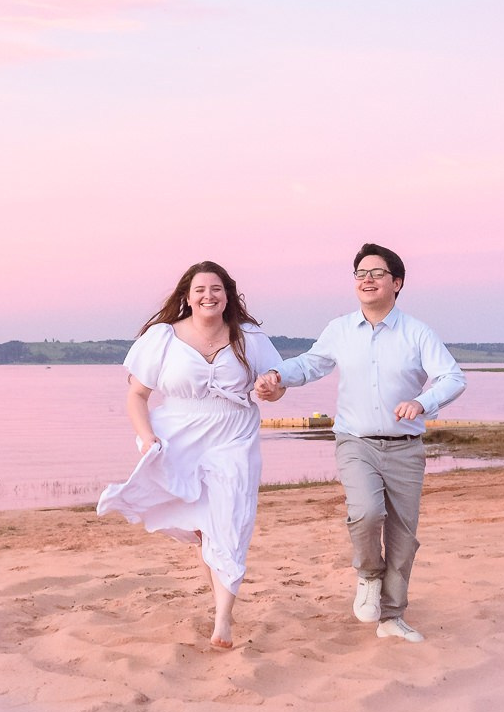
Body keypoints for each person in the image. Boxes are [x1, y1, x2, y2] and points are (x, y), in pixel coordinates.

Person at [254, 243, 464, 643]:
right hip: (356, 442)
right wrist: (278, 375)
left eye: (377, 273)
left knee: (403, 537)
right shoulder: (339, 330)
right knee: (366, 513)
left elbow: (452, 377)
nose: (367, 279)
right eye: (360, 274)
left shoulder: (418, 333)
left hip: (405, 447)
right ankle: (368, 574)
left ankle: (392, 618)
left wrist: (422, 401)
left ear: (396, 283)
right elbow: (310, 364)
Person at [97, 261, 285, 649]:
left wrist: (270, 390)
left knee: (231, 521)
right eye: (200, 289)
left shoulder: (249, 338)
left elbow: (275, 386)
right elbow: (137, 395)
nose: (208, 296)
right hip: (179, 435)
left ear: (227, 295)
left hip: (234, 434)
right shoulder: (162, 338)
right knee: (206, 528)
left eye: (216, 289)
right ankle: (220, 604)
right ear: (187, 296)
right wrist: (146, 437)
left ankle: (222, 619)